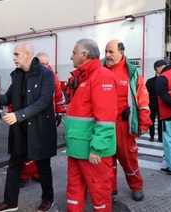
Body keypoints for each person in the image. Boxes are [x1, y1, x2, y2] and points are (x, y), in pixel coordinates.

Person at [0, 43, 57, 212]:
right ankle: (10, 202)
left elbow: (43, 101)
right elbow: (7, 98)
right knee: (14, 165)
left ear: (27, 54)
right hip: (21, 129)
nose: (13, 58)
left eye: (16, 54)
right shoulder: (18, 75)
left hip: (39, 128)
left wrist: (18, 116)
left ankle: (48, 198)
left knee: (43, 167)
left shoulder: (46, 74)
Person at [65, 38, 117, 211]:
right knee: (74, 191)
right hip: (77, 148)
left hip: (92, 152)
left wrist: (98, 148)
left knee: (99, 193)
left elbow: (106, 117)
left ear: (84, 54)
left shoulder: (101, 76)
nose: (71, 57)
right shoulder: (84, 77)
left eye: (74, 53)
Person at [103, 39, 152, 201]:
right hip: (104, 124)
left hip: (123, 124)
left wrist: (144, 123)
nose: (107, 55)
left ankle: (136, 187)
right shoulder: (99, 68)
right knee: (107, 159)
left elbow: (142, 99)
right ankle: (111, 187)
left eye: (111, 52)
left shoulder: (131, 72)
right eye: (106, 52)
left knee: (129, 158)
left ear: (121, 53)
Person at [19, 52, 64, 188]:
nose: (45, 66)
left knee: (42, 150)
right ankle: (25, 174)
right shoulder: (28, 75)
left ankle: (38, 174)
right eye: (42, 63)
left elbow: (58, 95)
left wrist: (60, 112)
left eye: (47, 63)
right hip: (29, 117)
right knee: (28, 150)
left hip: (46, 118)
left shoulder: (52, 76)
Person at [146, 72, 163, 142]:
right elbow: (145, 91)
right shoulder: (150, 81)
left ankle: (160, 137)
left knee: (160, 121)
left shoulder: (164, 81)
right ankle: (151, 136)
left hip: (161, 104)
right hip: (152, 103)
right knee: (151, 121)